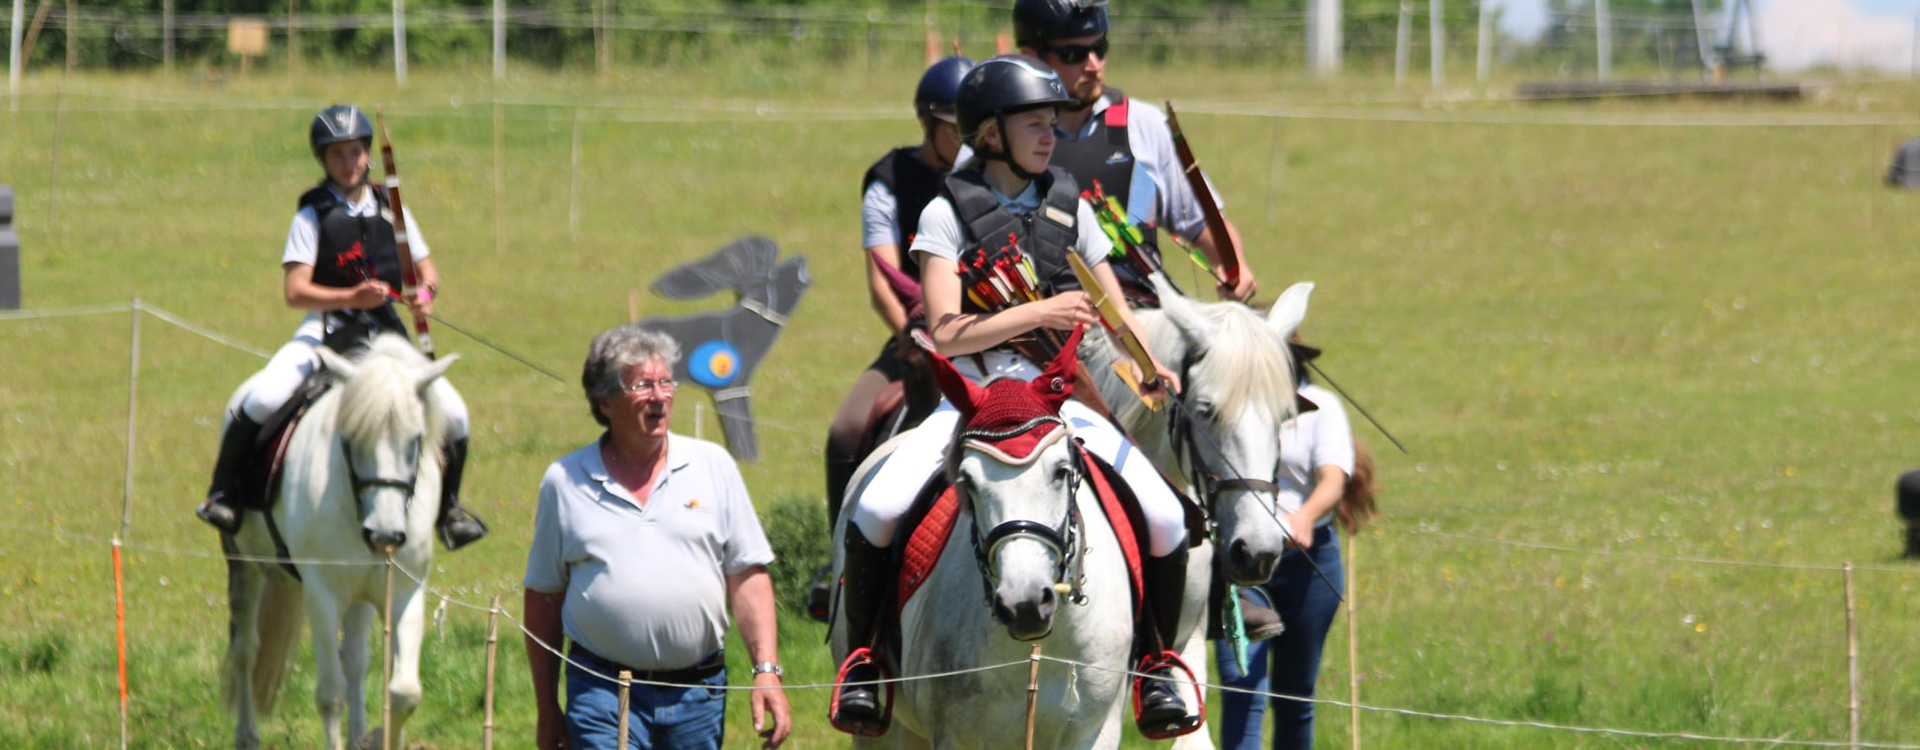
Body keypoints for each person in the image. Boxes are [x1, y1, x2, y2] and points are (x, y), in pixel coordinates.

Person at [831, 54, 1200, 739]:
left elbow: (1110, 307)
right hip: (970, 400)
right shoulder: (946, 214)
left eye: (1053, 123)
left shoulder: (1071, 204)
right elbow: (943, 330)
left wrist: (1144, 367)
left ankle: (1156, 667)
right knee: (879, 506)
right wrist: (1038, 316)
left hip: (1061, 401)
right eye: (1035, 123)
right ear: (991, 132)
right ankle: (865, 661)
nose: (1051, 135)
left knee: (1168, 516)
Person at [193, 104, 488, 551]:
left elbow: (428, 274)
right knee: (263, 396)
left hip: (388, 339)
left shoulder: (393, 208)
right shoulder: (311, 215)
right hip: (326, 331)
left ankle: (449, 511)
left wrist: (422, 296)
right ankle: (225, 494)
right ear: (324, 161)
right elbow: (295, 291)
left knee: (455, 412)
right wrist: (352, 298)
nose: (348, 164)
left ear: (368, 155)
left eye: (355, 153)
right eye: (337, 156)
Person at [523, 326, 791, 750]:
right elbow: (543, 596)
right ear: (605, 402)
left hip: (698, 695)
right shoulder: (565, 481)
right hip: (603, 693)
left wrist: (767, 671)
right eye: (643, 384)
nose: (660, 395)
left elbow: (747, 574)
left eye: (666, 382)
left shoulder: (713, 465)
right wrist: (546, 706)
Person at [1211, 282, 1382, 750]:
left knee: (1294, 695)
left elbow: (1333, 478)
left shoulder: (1322, 408)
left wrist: (1305, 517)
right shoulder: (1233, 405)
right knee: (1242, 687)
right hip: (1245, 560)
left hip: (1309, 561)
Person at [1011, 0, 1258, 304]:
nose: (1094, 65)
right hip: (1050, 318)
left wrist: (1236, 265)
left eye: (1100, 49)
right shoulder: (1009, 137)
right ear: (1031, 58)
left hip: (1143, 316)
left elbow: (1199, 221)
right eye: (1073, 54)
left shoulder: (1142, 123)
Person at [823, 55, 976, 531]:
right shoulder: (887, 181)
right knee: (845, 429)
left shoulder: (987, 175)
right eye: (956, 128)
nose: (966, 140)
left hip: (984, 330)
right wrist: (909, 333)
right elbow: (882, 281)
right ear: (927, 122)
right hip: (916, 333)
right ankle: (841, 559)